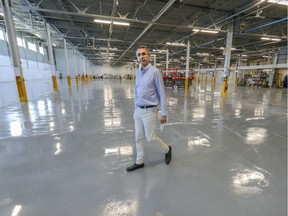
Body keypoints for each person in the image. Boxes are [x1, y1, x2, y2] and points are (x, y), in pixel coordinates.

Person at [126, 45, 172, 172]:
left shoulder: (155, 72)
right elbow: (137, 91)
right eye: (139, 55)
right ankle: (139, 161)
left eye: (144, 54)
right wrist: (136, 107)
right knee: (138, 137)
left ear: (149, 56)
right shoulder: (138, 73)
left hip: (150, 111)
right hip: (138, 110)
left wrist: (163, 112)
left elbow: (162, 93)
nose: (142, 57)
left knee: (151, 137)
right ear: (137, 58)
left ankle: (167, 149)